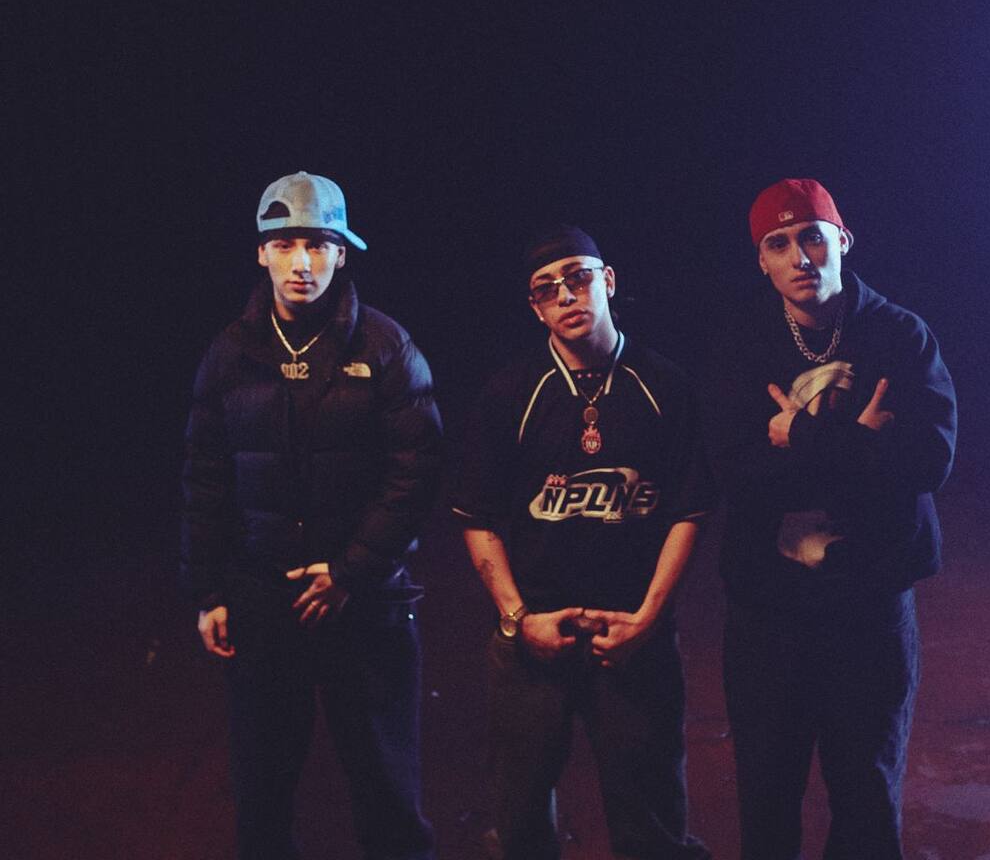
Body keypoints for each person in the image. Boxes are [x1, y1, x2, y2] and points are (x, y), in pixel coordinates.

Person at [180, 171, 442, 860]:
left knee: (387, 792)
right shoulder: (230, 355)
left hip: (365, 602)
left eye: (319, 244)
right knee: (262, 797)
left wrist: (351, 572)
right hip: (264, 599)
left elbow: (416, 474)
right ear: (261, 253)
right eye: (286, 244)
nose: (303, 262)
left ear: (342, 253)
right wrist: (208, 592)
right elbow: (206, 478)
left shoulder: (386, 347)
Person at [452, 225, 713, 860]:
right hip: (536, 637)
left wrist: (648, 618)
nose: (566, 295)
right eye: (548, 288)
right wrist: (519, 619)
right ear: (535, 307)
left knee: (651, 827)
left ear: (609, 281)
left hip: (633, 638)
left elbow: (688, 512)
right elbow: (478, 518)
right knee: (519, 823)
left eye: (578, 277)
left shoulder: (664, 386)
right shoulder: (509, 393)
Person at [716, 178, 957, 860]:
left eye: (813, 238)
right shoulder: (742, 343)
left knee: (867, 799)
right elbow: (733, 471)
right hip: (770, 611)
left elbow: (930, 461)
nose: (800, 257)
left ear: (843, 242)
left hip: (869, 605)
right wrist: (863, 449)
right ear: (762, 261)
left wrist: (804, 437)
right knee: (767, 796)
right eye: (779, 244)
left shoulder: (900, 335)